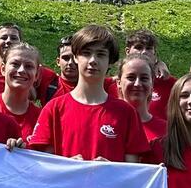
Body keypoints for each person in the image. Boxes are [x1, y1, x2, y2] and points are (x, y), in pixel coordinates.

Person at [29, 25, 147, 162]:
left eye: (101, 54)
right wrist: (67, 167)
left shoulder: (127, 113)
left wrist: (112, 170)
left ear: (110, 61)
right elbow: (42, 166)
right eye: (86, 53)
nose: (92, 61)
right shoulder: (53, 109)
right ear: (76, 57)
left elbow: (133, 171)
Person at [0, 43, 43, 143]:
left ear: (37, 74)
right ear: (3, 68)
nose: (21, 70)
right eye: (15, 64)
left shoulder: (42, 118)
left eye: (28, 66)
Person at [0, 22, 55, 100]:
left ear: (20, 43)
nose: (8, 41)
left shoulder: (35, 70)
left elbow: (63, 82)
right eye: (4, 38)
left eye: (14, 38)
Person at [115, 52, 167, 146]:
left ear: (152, 83)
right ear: (118, 83)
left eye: (144, 78)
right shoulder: (107, 124)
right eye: (131, 78)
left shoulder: (167, 130)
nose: (137, 84)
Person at [50, 35, 118, 102]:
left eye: (73, 58)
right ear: (58, 61)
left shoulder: (102, 84)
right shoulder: (48, 84)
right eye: (66, 58)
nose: (70, 62)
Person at [125, 29, 173, 120]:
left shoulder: (171, 84)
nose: (144, 52)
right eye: (138, 47)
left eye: (149, 48)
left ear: (155, 53)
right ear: (128, 51)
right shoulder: (112, 84)